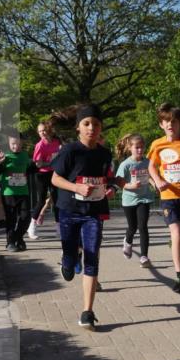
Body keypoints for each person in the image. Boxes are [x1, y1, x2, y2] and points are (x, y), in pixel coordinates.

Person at [50, 104, 120, 331]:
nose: (92, 128)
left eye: (96, 124)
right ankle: (68, 259)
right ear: (78, 127)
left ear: (101, 128)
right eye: (87, 124)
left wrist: (113, 185)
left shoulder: (104, 153)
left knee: (92, 257)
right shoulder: (70, 151)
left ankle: (87, 312)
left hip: (93, 213)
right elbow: (55, 179)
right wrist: (76, 188)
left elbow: (103, 180)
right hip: (69, 211)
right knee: (71, 257)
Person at [147, 103, 180, 294]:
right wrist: (158, 180)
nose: (171, 125)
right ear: (161, 124)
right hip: (169, 196)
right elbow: (151, 166)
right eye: (166, 121)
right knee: (176, 233)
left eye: (174, 121)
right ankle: (179, 276)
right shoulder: (157, 144)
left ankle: (175, 247)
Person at [116, 133, 154, 267]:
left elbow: (149, 175)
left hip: (144, 198)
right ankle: (128, 241)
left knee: (143, 226)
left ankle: (144, 256)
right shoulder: (125, 165)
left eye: (142, 147)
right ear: (130, 148)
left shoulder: (147, 162)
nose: (140, 150)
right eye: (137, 147)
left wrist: (153, 182)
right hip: (129, 200)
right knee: (132, 227)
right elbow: (119, 182)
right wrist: (131, 186)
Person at [0, 133, 37, 252]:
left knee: (26, 217)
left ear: (22, 143)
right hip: (9, 193)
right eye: (13, 144)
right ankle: (10, 242)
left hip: (23, 192)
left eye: (18, 144)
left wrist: (36, 165)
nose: (15, 147)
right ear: (8, 143)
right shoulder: (4, 156)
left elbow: (30, 169)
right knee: (11, 219)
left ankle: (18, 238)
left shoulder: (24, 155)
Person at [29, 120, 62, 240]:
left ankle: (59, 228)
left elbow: (61, 156)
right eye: (39, 131)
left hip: (54, 174)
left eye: (43, 130)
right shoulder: (40, 145)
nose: (42, 133)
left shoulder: (57, 142)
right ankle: (32, 226)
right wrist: (51, 163)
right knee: (41, 201)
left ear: (49, 130)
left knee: (57, 200)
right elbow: (38, 164)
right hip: (42, 175)